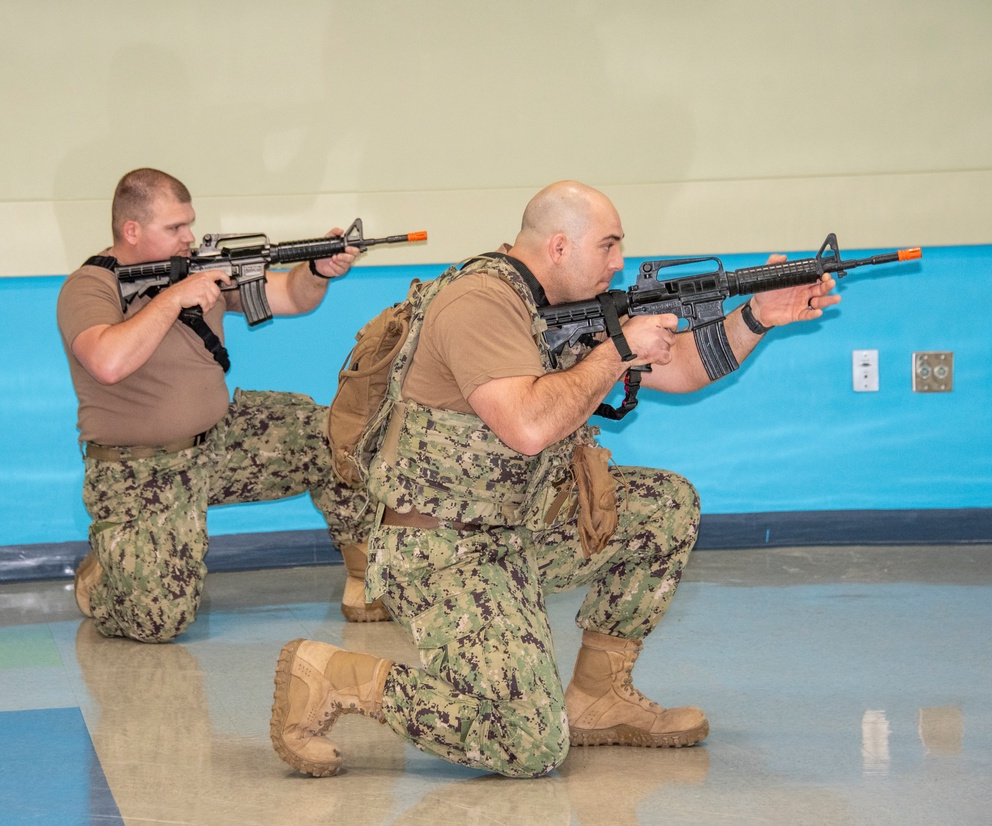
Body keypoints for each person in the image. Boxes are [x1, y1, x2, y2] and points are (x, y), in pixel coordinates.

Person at [268, 181, 841, 777]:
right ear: (560, 247)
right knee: (530, 744)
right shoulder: (479, 303)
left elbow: (685, 368)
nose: (619, 262)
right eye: (609, 245)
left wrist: (757, 315)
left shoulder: (565, 306)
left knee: (664, 505)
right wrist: (617, 351)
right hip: (443, 550)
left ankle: (598, 697)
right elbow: (529, 426)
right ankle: (337, 676)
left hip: (522, 529)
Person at [58, 167, 387, 643]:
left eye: (189, 224)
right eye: (175, 227)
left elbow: (290, 296)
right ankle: (109, 574)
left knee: (332, 434)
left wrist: (316, 271)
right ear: (132, 230)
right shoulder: (90, 286)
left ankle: (366, 576)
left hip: (218, 443)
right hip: (140, 470)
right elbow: (106, 362)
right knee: (159, 623)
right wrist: (173, 299)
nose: (188, 237)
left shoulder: (195, 270)